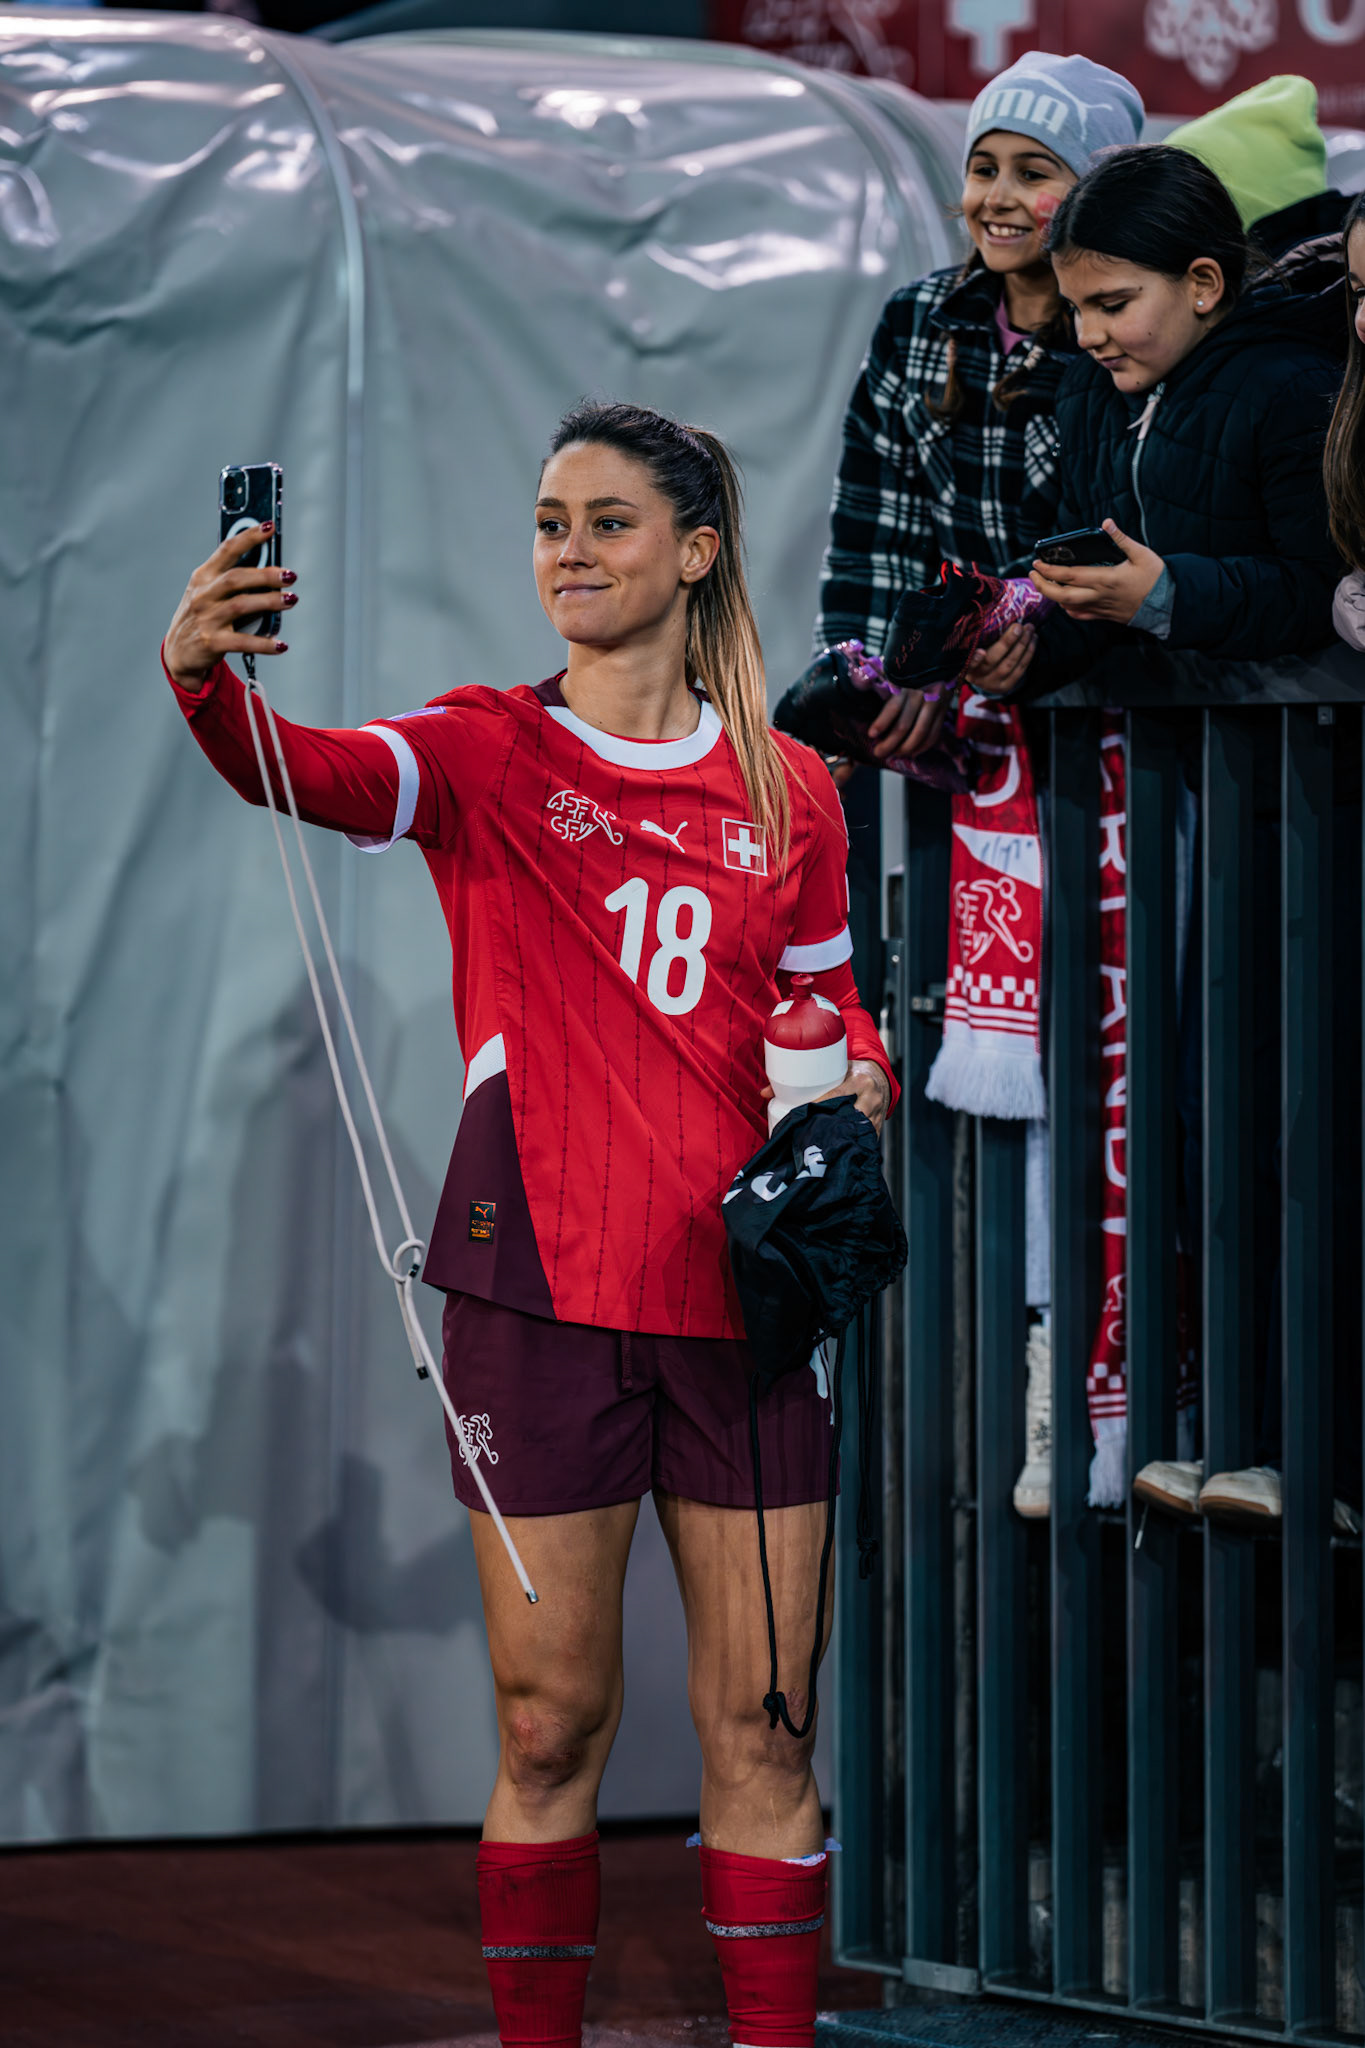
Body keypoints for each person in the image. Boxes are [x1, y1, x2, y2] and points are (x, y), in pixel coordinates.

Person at [159, 401, 895, 2048]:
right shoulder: (489, 747)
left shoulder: (792, 790)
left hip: (745, 1314)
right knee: (550, 1722)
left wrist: (853, 1076)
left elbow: (829, 1006)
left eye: (610, 522)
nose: (569, 550)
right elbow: (317, 773)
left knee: (763, 1731)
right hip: (538, 1296)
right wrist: (205, 673)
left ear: (696, 552)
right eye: (551, 521)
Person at [816, 49, 1145, 762]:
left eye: (1032, 173)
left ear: (1095, 194)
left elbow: (1117, 528)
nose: (995, 197)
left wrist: (1028, 640)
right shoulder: (915, 319)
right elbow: (875, 526)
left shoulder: (1122, 334)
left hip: (1111, 714)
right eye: (982, 168)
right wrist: (874, 674)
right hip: (948, 717)